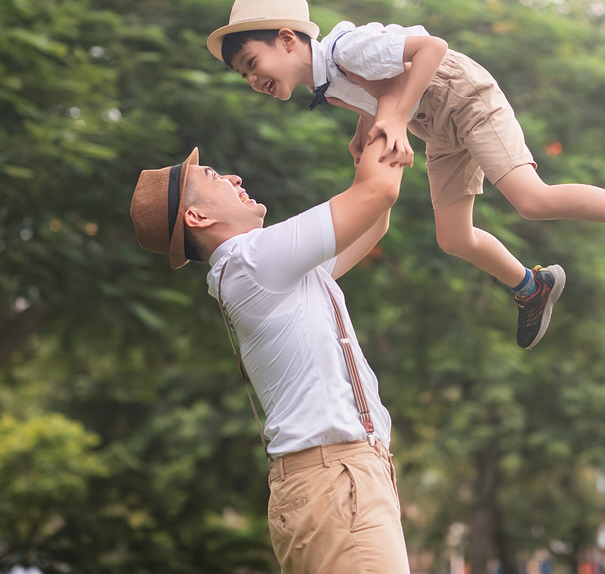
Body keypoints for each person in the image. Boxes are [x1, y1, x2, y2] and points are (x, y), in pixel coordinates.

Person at [206, 0, 605, 350]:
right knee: (452, 236)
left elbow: (431, 49)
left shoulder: (346, 48)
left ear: (289, 40)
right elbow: (376, 93)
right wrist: (366, 132)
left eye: (253, 64)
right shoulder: (326, 82)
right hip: (436, 128)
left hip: (463, 97)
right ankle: (532, 288)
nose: (253, 80)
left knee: (531, 198)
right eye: (243, 76)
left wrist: (396, 119)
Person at [129, 136, 410, 574]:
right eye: (213, 177)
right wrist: (386, 115)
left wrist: (377, 136)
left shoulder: (266, 271)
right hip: (336, 479)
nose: (234, 178)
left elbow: (374, 220)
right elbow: (378, 193)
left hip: (336, 479)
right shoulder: (253, 261)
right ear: (197, 216)